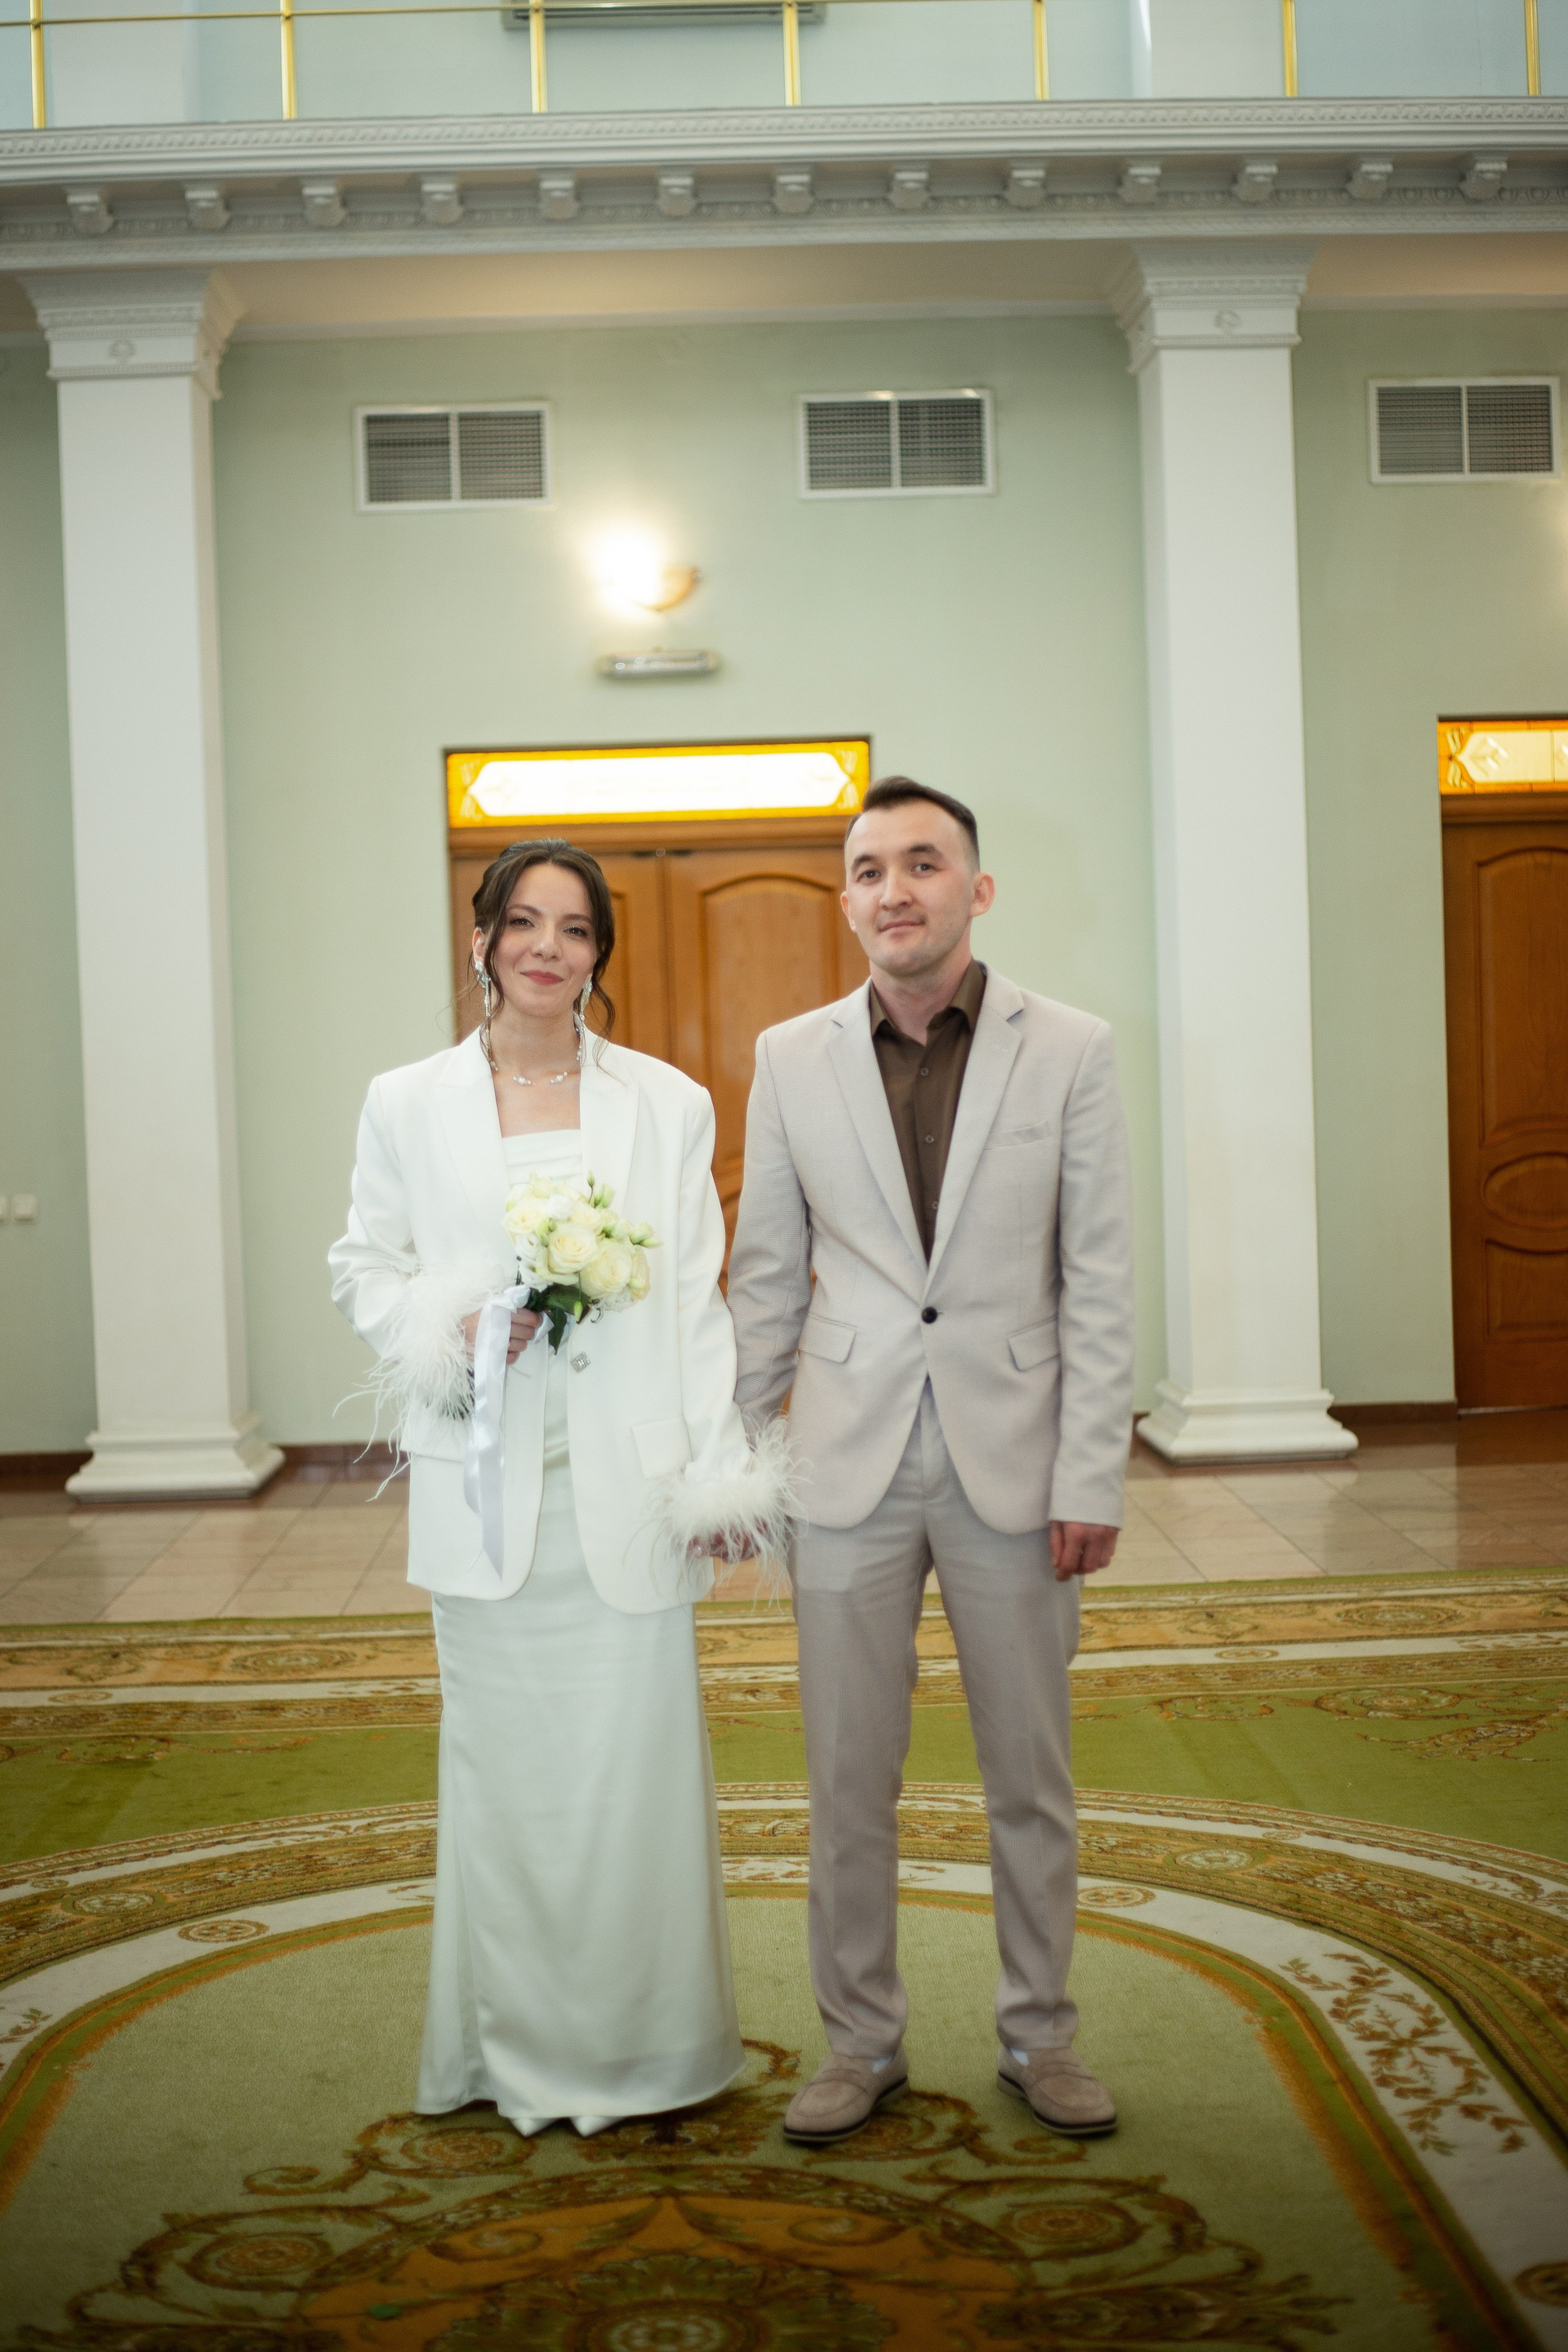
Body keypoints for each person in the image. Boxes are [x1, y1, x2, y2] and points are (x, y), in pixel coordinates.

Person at [329, 838, 789, 2138]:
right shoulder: (405, 1101)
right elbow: (364, 1265)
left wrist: (716, 1472)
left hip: (627, 1491)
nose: (547, 948)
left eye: (575, 929)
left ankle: (652, 2053)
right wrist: (455, 1325)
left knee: (636, 1781)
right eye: (523, 923)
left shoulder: (667, 1103)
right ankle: (505, 2054)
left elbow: (695, 1301)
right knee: (507, 1781)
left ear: (598, 953)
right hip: (487, 1488)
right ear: (481, 940)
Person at [727, 776, 1134, 2146]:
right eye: (867, 869)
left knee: (1030, 1776)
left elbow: (1099, 1280)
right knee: (848, 1779)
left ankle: (1041, 2037)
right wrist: (740, 1465)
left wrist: (1091, 1475)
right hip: (844, 1462)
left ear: (977, 887)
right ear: (845, 900)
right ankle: (859, 2045)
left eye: (921, 862)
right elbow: (768, 1275)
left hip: (1016, 1464)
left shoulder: (1070, 1048)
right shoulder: (789, 1057)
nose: (892, 889)